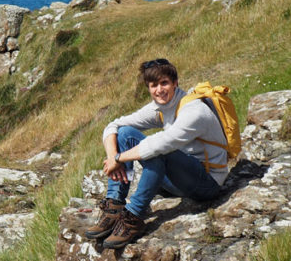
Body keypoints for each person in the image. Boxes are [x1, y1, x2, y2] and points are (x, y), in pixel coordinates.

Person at [85, 58, 230, 249]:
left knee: (158, 150)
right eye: (154, 85)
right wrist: (113, 156)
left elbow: (163, 143)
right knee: (125, 134)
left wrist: (119, 158)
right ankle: (115, 205)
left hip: (206, 184)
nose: (159, 90)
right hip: (177, 180)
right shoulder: (160, 108)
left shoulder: (195, 111)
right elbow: (114, 125)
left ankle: (133, 217)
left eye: (164, 83)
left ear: (175, 83)